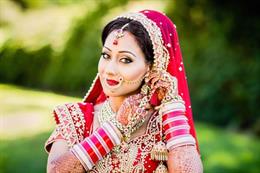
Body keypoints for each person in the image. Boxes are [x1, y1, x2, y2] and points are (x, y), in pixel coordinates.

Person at [45, 10, 203, 173]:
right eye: (106, 55)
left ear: (152, 67)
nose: (110, 70)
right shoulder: (75, 118)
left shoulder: (166, 126)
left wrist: (171, 105)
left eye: (126, 60)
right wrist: (115, 128)